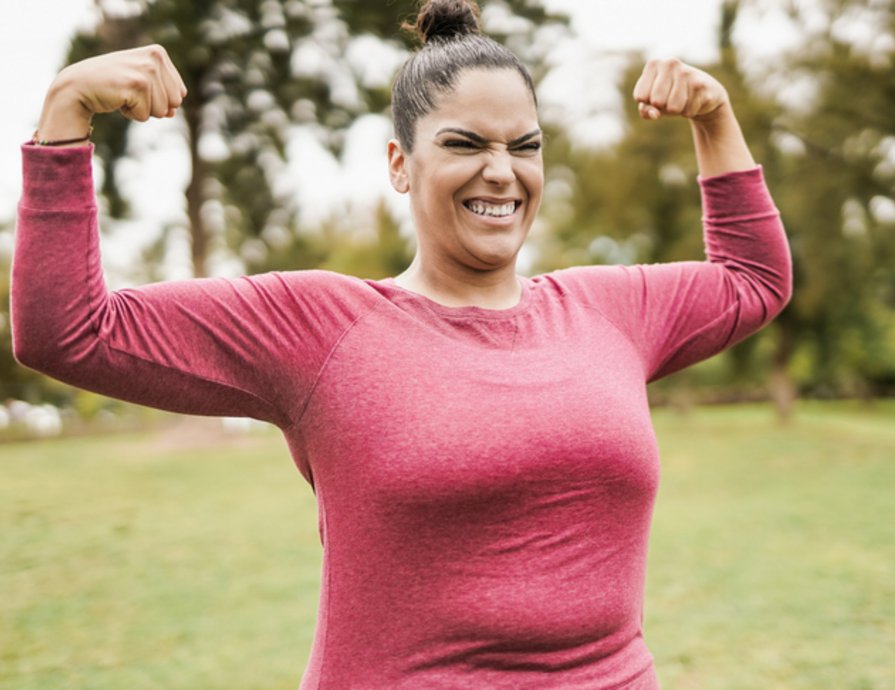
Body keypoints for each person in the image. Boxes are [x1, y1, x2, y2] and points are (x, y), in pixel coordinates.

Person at [11, 0, 792, 688]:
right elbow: (69, 332)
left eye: (524, 146)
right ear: (398, 164)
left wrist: (715, 118)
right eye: (464, 145)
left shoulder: (609, 310)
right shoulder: (318, 327)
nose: (501, 172)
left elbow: (755, 279)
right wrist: (64, 114)